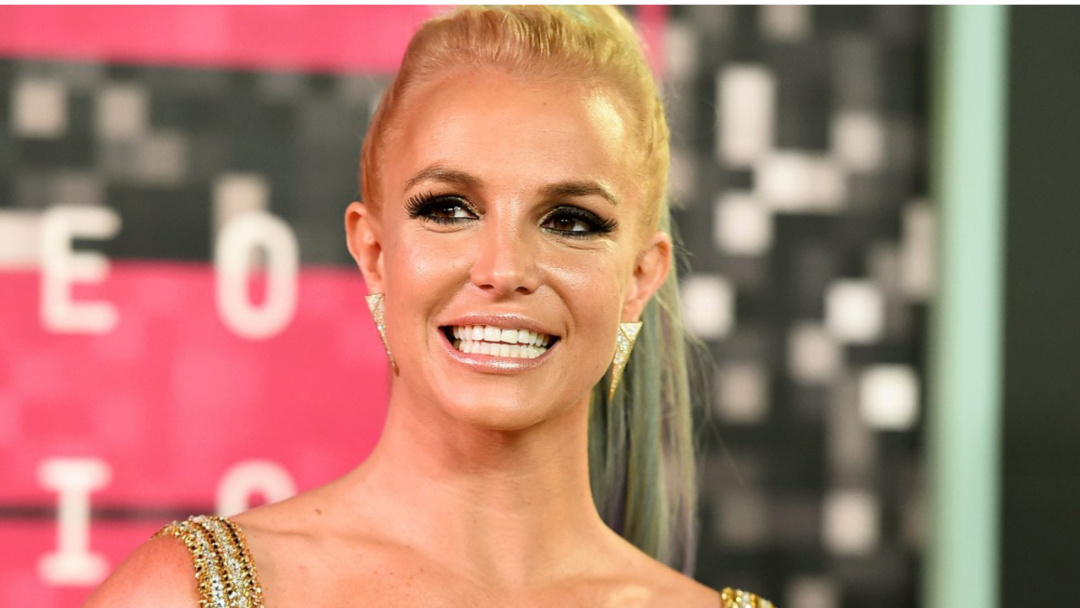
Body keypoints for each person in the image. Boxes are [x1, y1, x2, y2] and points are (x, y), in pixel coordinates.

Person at [84, 6, 772, 607]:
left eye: (569, 221)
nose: (504, 269)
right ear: (375, 252)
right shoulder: (187, 595)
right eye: (448, 209)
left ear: (641, 278)